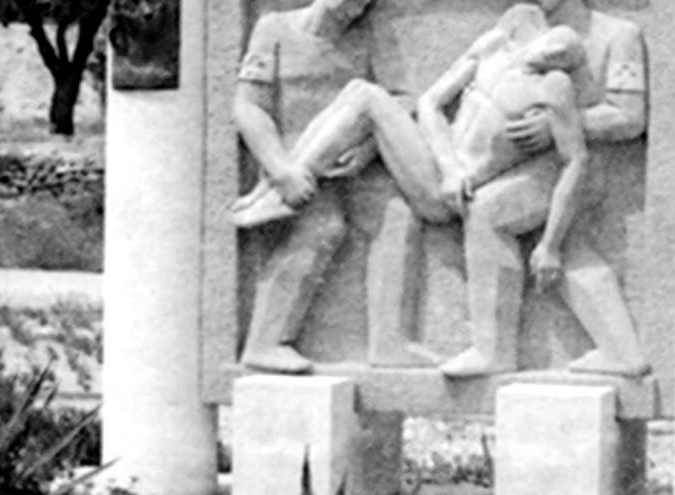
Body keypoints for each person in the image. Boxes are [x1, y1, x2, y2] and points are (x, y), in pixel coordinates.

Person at [232, 26, 592, 310]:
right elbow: (431, 102)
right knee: (360, 91)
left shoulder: (549, 91)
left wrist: (551, 245)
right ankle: (281, 181)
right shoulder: (493, 49)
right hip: (439, 162)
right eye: (554, 43)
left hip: (448, 194)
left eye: (566, 56)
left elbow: (576, 162)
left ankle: (280, 189)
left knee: (369, 99)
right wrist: (445, 164)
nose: (556, 52)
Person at [447, 0, 649, 379]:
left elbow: (629, 116)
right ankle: (623, 353)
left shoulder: (617, 34)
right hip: (529, 164)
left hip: (576, 164)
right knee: (572, 250)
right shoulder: (530, 33)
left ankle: (492, 350)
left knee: (487, 214)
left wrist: (557, 125)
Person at [233, 0, 388, 374]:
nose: (356, 13)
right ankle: (264, 343)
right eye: (353, 1)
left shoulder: (358, 44)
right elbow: (248, 106)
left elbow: (388, 104)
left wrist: (367, 151)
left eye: (364, 7)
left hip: (332, 170)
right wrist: (281, 171)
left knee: (329, 228)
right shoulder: (274, 28)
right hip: (284, 164)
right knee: (323, 229)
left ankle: (267, 342)